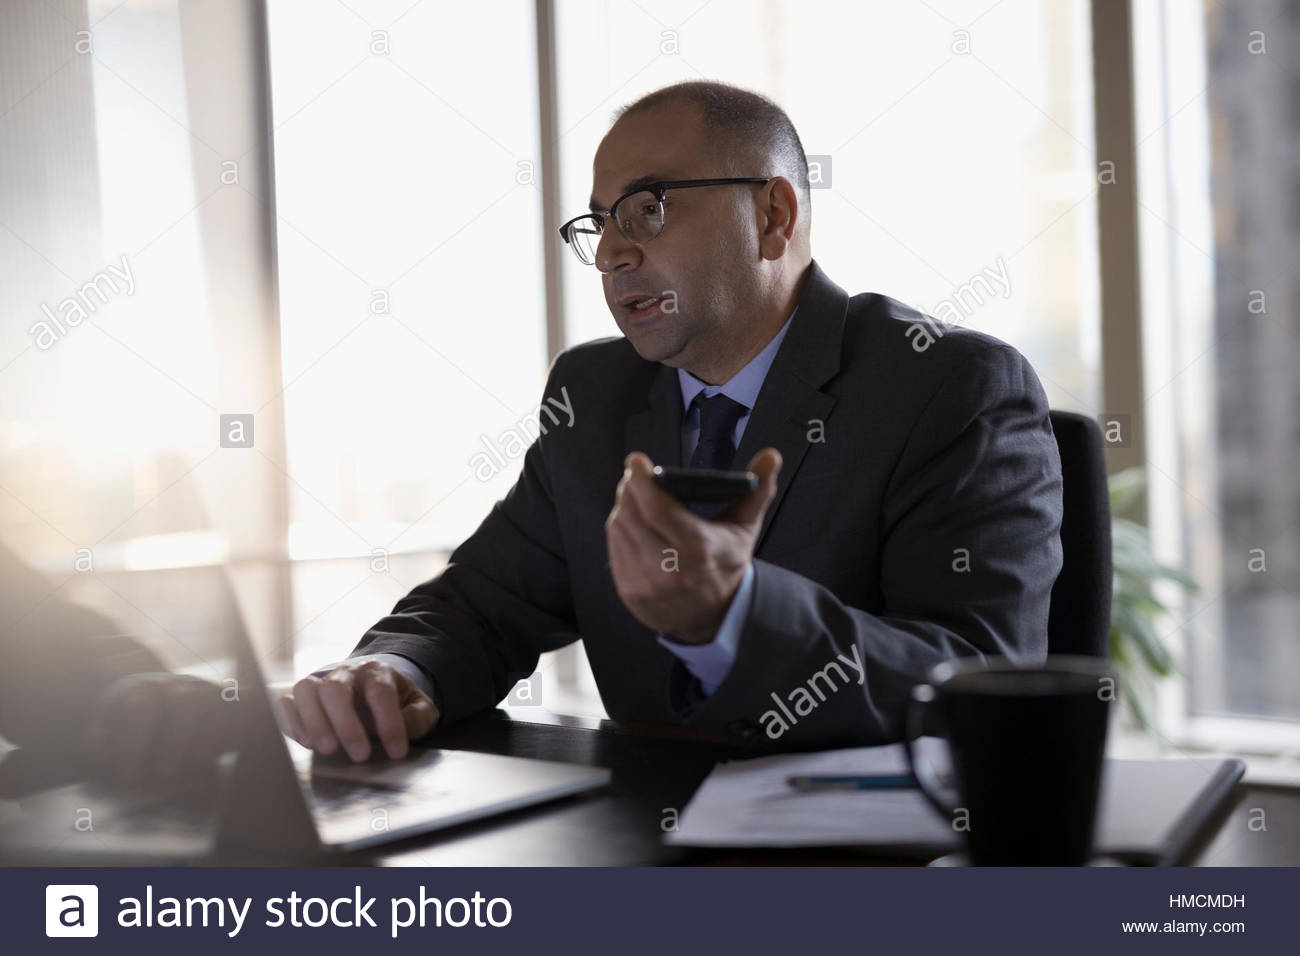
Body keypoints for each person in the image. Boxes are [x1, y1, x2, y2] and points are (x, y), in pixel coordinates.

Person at [281, 80, 1063, 761]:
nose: (612, 255)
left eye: (647, 210)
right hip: (641, 846)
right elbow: (484, 603)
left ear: (773, 216)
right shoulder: (593, 393)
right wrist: (392, 672)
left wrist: (739, 616)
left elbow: (975, 680)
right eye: (599, 225)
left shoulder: (948, 385)